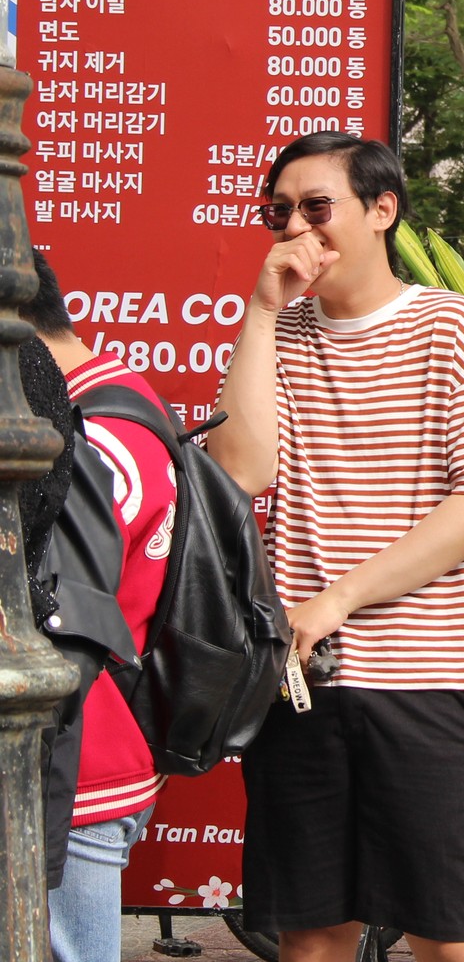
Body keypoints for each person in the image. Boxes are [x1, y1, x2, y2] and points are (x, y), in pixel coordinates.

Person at [205, 132, 464, 962]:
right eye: (278, 211)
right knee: (311, 933)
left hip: (421, 678)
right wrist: (260, 309)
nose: (296, 228)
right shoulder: (277, 335)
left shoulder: (449, 324)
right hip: (299, 685)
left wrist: (341, 596)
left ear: (382, 210)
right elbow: (240, 470)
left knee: (450, 933)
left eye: (317, 207)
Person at [29, 252, 178, 962]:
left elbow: (59, 595)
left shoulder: (97, 427)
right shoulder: (98, 401)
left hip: (79, 760)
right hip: (71, 752)